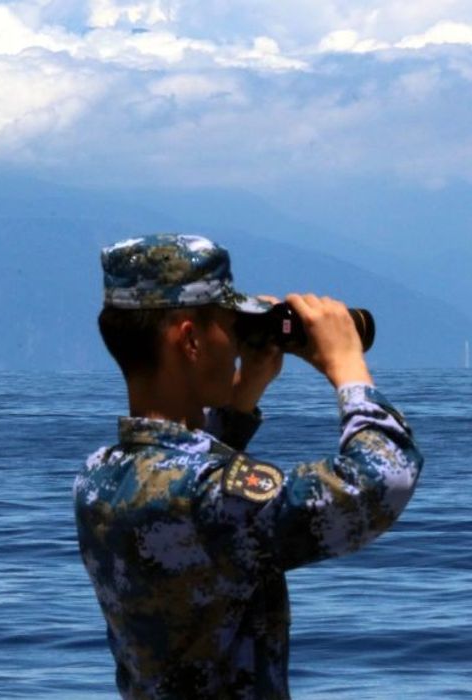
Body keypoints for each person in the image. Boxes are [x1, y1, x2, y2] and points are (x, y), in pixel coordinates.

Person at [74, 234, 423, 699]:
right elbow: (381, 482)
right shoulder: (208, 497)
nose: (238, 345)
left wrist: (245, 391)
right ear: (191, 339)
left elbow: (181, 471)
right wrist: (347, 366)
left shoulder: (98, 476)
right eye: (230, 327)